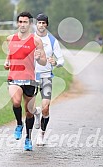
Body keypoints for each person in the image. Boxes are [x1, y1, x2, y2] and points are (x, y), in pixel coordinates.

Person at [4, 12, 47, 151]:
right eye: (20, 22)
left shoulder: (36, 41)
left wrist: (38, 56)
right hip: (14, 77)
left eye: (25, 22)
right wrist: (6, 62)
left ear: (30, 24)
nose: (22, 24)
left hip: (30, 79)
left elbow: (43, 60)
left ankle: (28, 138)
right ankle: (18, 124)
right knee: (16, 102)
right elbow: (9, 55)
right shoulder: (10, 39)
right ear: (18, 23)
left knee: (29, 111)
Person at [34, 13, 64, 146]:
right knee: (30, 108)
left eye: (43, 23)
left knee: (46, 107)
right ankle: (36, 113)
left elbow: (62, 60)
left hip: (46, 76)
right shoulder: (30, 39)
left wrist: (55, 62)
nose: (41, 25)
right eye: (39, 23)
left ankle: (41, 134)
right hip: (31, 77)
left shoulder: (52, 41)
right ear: (36, 24)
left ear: (47, 24)